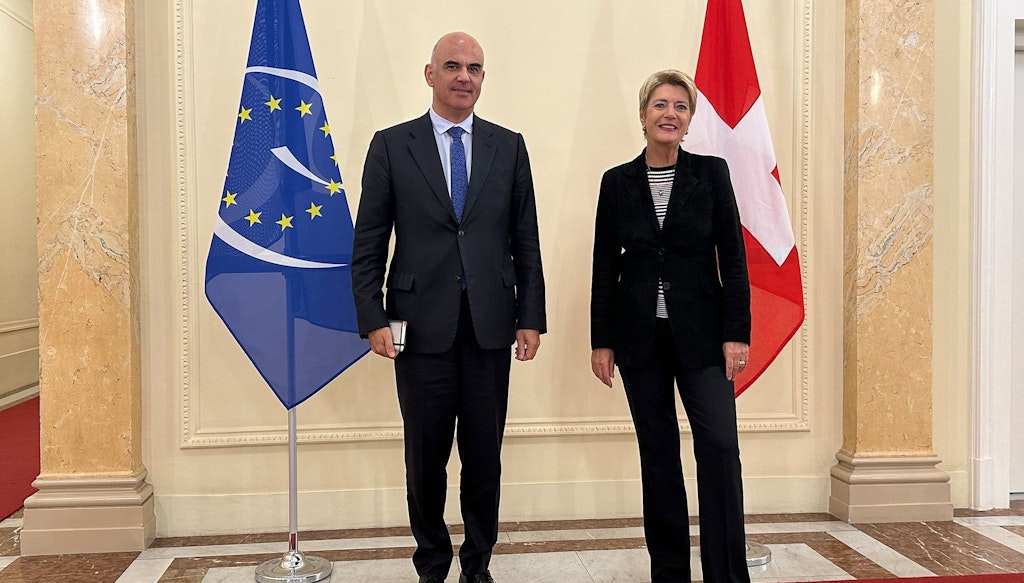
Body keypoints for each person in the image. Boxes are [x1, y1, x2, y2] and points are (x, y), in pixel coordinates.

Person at [351, 32, 546, 583]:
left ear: (484, 78)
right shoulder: (392, 144)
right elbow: (369, 241)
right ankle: (433, 564)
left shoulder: (509, 147)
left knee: (484, 461)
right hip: (419, 328)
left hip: (490, 326)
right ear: (430, 74)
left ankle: (478, 565)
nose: (465, 76)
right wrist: (371, 317)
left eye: (475, 68)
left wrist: (530, 315)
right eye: (454, 66)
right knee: (425, 461)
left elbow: (524, 239)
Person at [589, 69, 752, 583]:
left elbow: (734, 256)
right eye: (660, 104)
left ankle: (727, 573)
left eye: (680, 107)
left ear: (689, 120)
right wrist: (602, 341)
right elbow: (602, 265)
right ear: (642, 116)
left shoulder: (712, 173)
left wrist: (737, 331)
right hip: (640, 340)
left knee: (720, 449)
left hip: (704, 336)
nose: (669, 114)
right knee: (658, 457)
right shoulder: (616, 183)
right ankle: (671, 574)